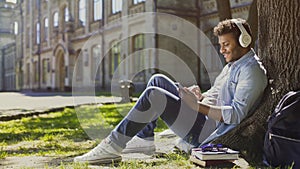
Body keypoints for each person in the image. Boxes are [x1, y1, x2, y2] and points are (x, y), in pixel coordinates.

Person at [74, 18, 268, 164]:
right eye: (220, 45)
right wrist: (201, 95)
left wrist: (196, 105)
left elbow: (235, 115)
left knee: (154, 95)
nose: (222, 50)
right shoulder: (233, 65)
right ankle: (144, 139)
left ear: (244, 40)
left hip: (207, 133)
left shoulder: (251, 71)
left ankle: (112, 146)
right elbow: (217, 93)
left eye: (226, 45)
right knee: (157, 80)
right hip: (205, 120)